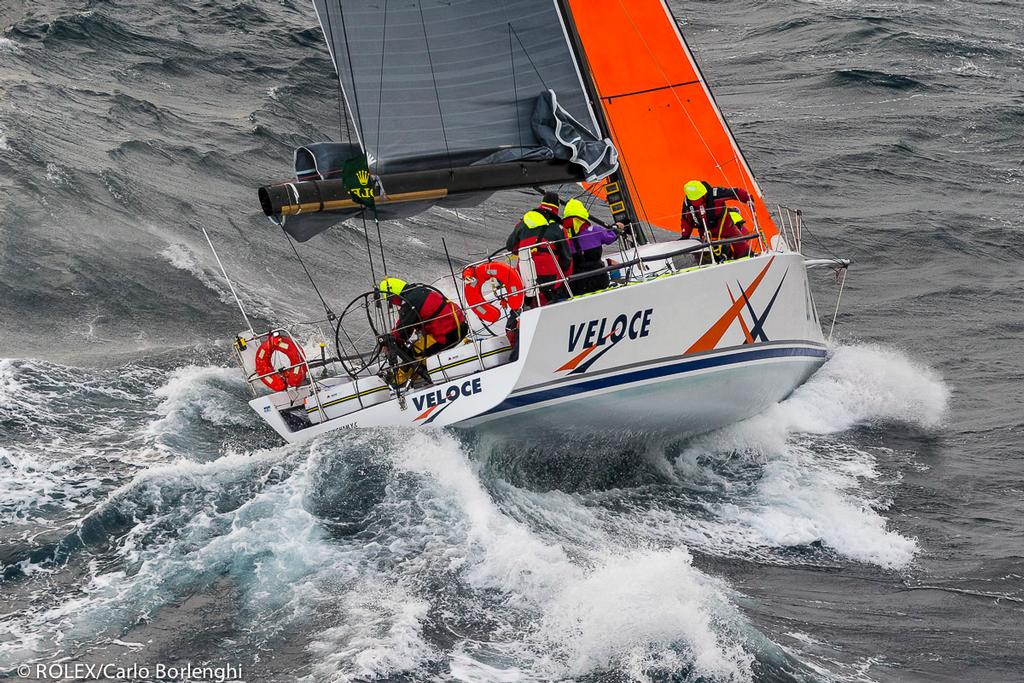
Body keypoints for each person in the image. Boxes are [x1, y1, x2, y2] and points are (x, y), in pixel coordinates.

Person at [380, 277, 467, 364]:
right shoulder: (418, 291)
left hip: (448, 335)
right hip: (460, 327)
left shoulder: (410, 302)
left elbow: (404, 330)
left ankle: (403, 377)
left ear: (394, 295)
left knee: (413, 352)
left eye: (390, 300)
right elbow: (406, 322)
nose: (392, 303)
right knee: (419, 345)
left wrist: (390, 341)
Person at [506, 191, 571, 305]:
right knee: (555, 299)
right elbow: (566, 260)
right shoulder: (559, 228)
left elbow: (511, 247)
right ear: (556, 208)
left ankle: (518, 316)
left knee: (525, 302)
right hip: (550, 278)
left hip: (525, 276)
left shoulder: (523, 223)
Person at [562, 198, 619, 295]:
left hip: (576, 285)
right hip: (599, 280)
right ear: (583, 214)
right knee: (615, 266)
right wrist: (616, 227)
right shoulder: (595, 230)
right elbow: (611, 237)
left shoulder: (562, 236)